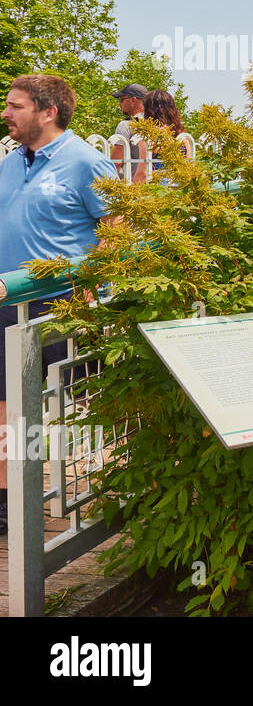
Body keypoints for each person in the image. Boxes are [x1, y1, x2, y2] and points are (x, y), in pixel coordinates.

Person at [0, 74, 119, 535]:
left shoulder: (86, 162)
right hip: (9, 301)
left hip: (60, 303)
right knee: (7, 404)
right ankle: (10, 501)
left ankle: (73, 495)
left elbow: (118, 228)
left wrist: (92, 287)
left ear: (48, 112)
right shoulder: (11, 162)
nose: (6, 113)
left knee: (54, 406)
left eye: (16, 106)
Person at [135, 89, 187, 186]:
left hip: (158, 190)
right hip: (180, 189)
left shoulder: (148, 136)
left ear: (148, 111)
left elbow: (142, 172)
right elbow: (189, 166)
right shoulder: (182, 135)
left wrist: (132, 193)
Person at [109, 83, 148, 182]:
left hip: (134, 186)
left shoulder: (126, 125)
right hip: (158, 186)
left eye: (121, 99)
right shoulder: (158, 124)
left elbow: (116, 163)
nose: (119, 103)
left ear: (133, 100)